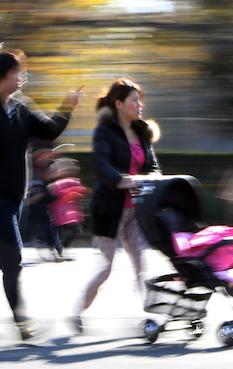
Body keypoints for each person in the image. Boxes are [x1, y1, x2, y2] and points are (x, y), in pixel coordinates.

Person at [0, 45, 82, 340]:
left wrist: (67, 106)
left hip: (15, 197)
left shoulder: (22, 107)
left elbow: (49, 131)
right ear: (3, 76)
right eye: (17, 71)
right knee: (13, 255)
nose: (22, 76)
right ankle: (23, 323)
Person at [70, 78, 161, 334]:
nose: (139, 104)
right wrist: (122, 181)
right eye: (134, 100)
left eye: (140, 99)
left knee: (142, 265)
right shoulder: (104, 131)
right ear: (119, 104)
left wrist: (151, 180)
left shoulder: (142, 131)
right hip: (109, 208)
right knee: (106, 268)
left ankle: (149, 318)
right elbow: (100, 165)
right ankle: (77, 312)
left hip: (136, 210)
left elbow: (153, 167)